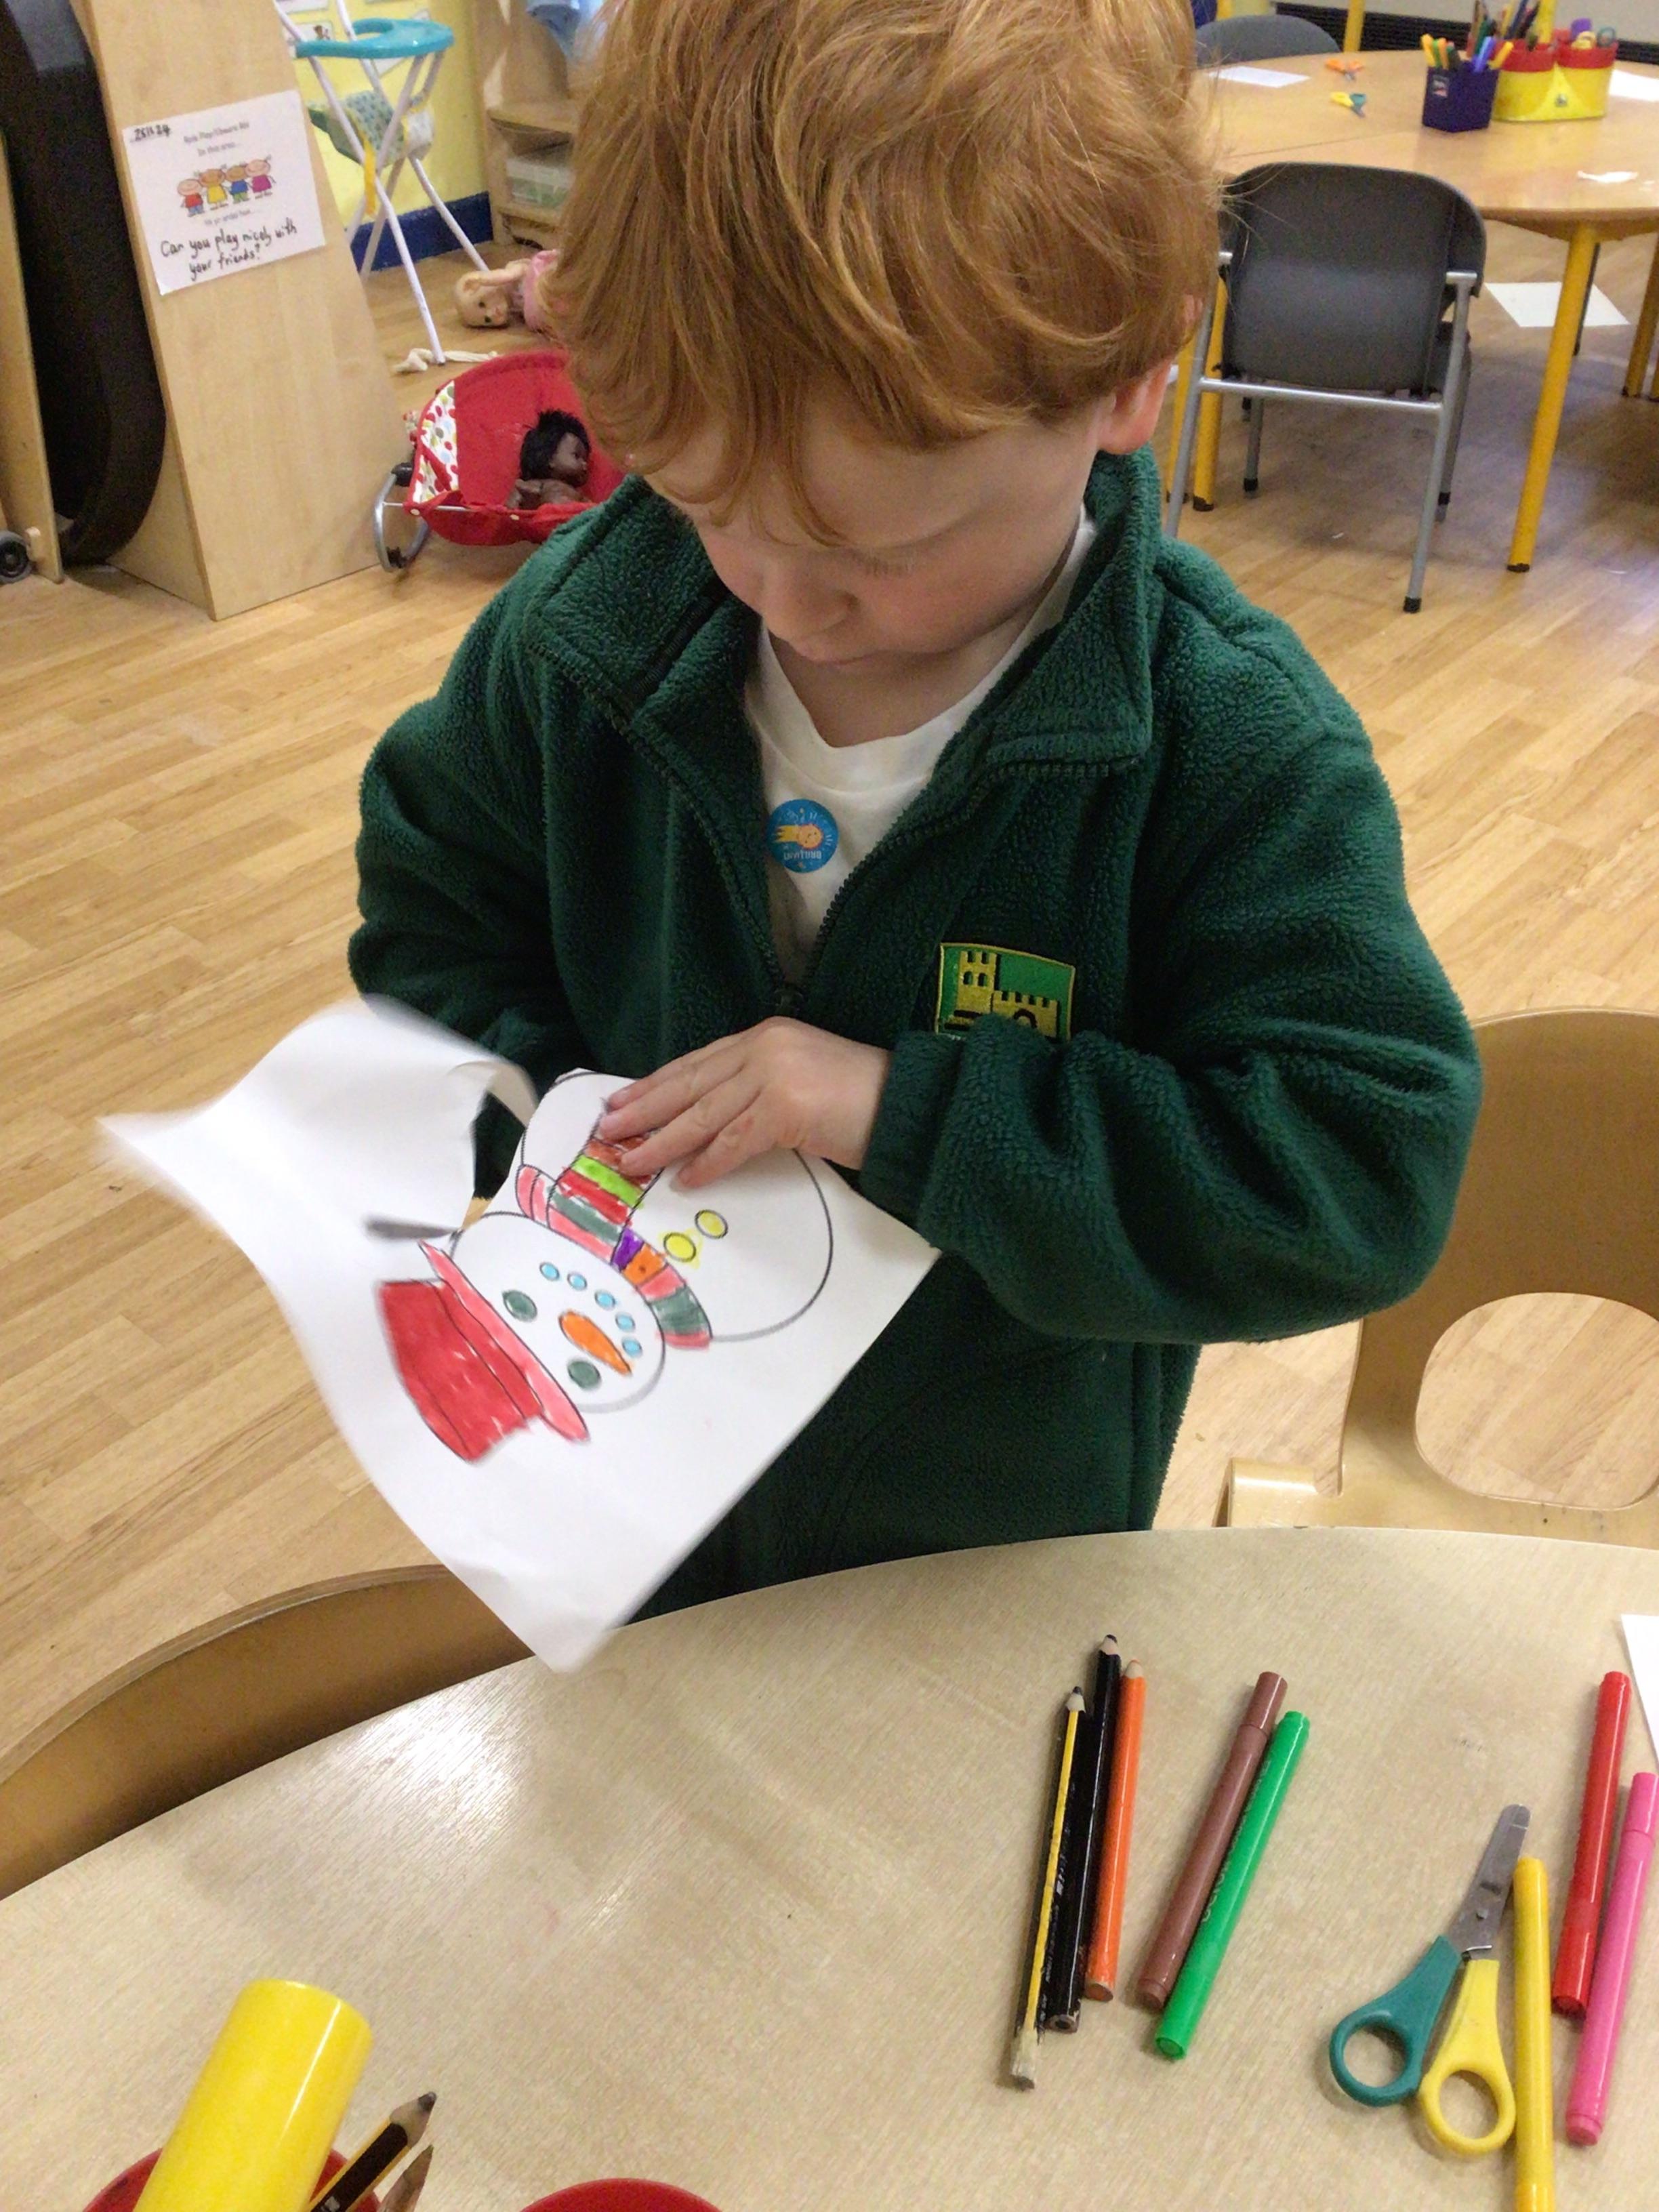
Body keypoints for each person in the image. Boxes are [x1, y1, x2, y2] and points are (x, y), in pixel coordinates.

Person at [351, 0, 1481, 1611]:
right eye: (710, 506)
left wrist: (906, 1114)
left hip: (986, 1563)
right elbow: (439, 907)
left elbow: (1359, 1172)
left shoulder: (1227, 749)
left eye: (882, 550)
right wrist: (536, 1146)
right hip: (627, 1500)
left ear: (1132, 377)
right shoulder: (591, 631)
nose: (787, 600)